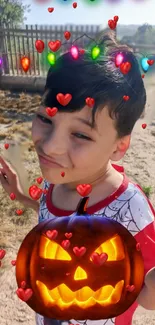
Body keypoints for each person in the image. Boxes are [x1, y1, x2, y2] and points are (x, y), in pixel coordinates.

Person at [0, 31, 155, 325]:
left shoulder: (133, 210)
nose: (50, 145)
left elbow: (147, 298)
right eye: (46, 117)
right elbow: (56, 221)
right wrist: (22, 196)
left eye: (81, 134)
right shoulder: (57, 181)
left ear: (119, 146)